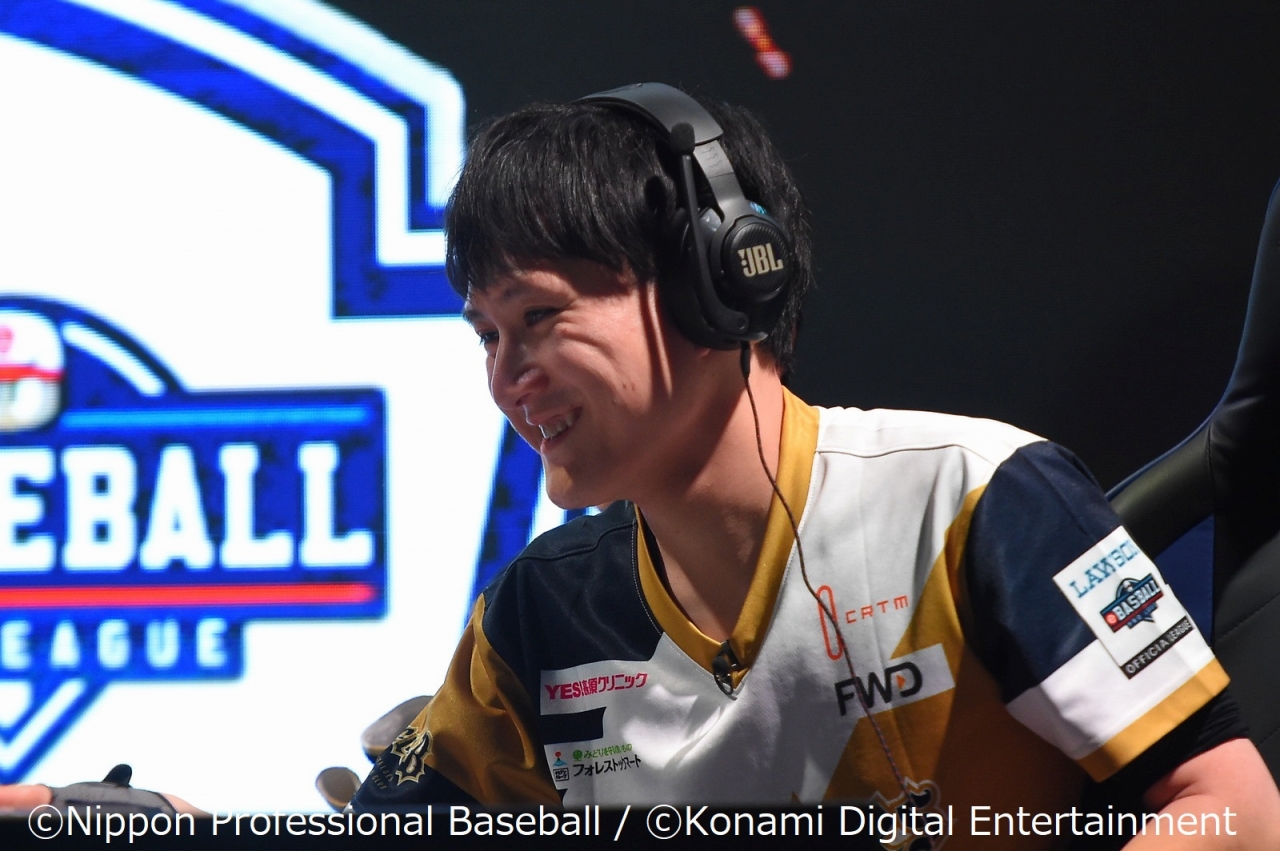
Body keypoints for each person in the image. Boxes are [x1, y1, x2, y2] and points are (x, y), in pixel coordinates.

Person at [3, 84, 1278, 850]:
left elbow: (1232, 807)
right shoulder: (538, 611)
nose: (508, 375)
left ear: (722, 280)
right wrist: (147, 821)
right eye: (485, 336)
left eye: (540, 317)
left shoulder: (977, 495)